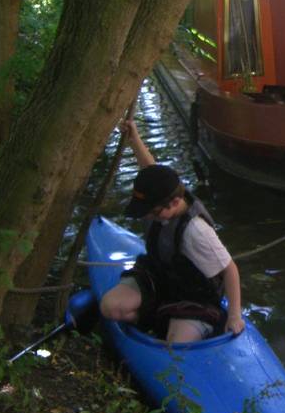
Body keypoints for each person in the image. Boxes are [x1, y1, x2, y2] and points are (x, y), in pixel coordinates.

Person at [100, 119, 244, 342]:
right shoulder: (161, 194)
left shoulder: (196, 231)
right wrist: (134, 139)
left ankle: (177, 323)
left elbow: (230, 269)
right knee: (110, 308)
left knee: (177, 345)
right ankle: (157, 317)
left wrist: (234, 316)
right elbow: (151, 170)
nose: (148, 215)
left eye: (153, 211)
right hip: (159, 279)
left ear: (174, 203)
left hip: (194, 296)